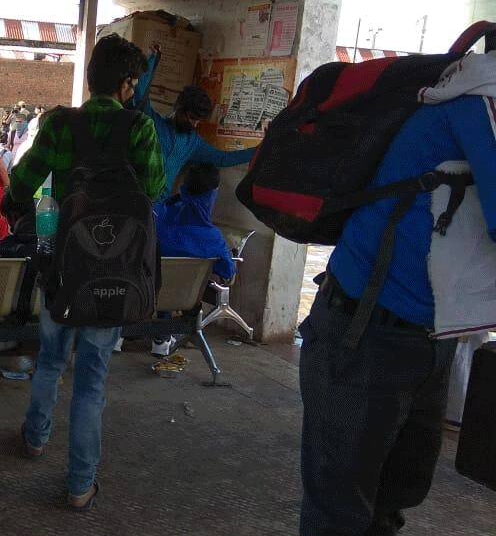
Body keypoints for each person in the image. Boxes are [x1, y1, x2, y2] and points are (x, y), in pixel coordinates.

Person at [298, 49, 496, 535]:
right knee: (340, 515)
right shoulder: (480, 101)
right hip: (364, 333)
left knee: (388, 506)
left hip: (427, 336)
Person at [5, 33, 165, 510]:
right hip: (115, 266)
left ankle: (35, 438)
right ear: (127, 85)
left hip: (60, 255)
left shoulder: (58, 125)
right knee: (92, 379)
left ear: (91, 79)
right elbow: (154, 188)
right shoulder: (139, 128)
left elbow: (24, 180)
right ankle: (79, 485)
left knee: (51, 359)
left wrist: (31, 209)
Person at [135, 46, 255, 195]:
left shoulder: (192, 142)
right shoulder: (152, 123)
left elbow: (223, 158)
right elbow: (140, 94)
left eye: (198, 121)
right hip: (134, 199)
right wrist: (153, 59)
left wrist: (260, 149)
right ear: (178, 108)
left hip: (159, 210)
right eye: (192, 118)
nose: (194, 124)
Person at [157, 163, 236, 280]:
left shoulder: (157, 217)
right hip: (185, 296)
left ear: (184, 187)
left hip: (146, 291)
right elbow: (228, 273)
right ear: (212, 195)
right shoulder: (213, 240)